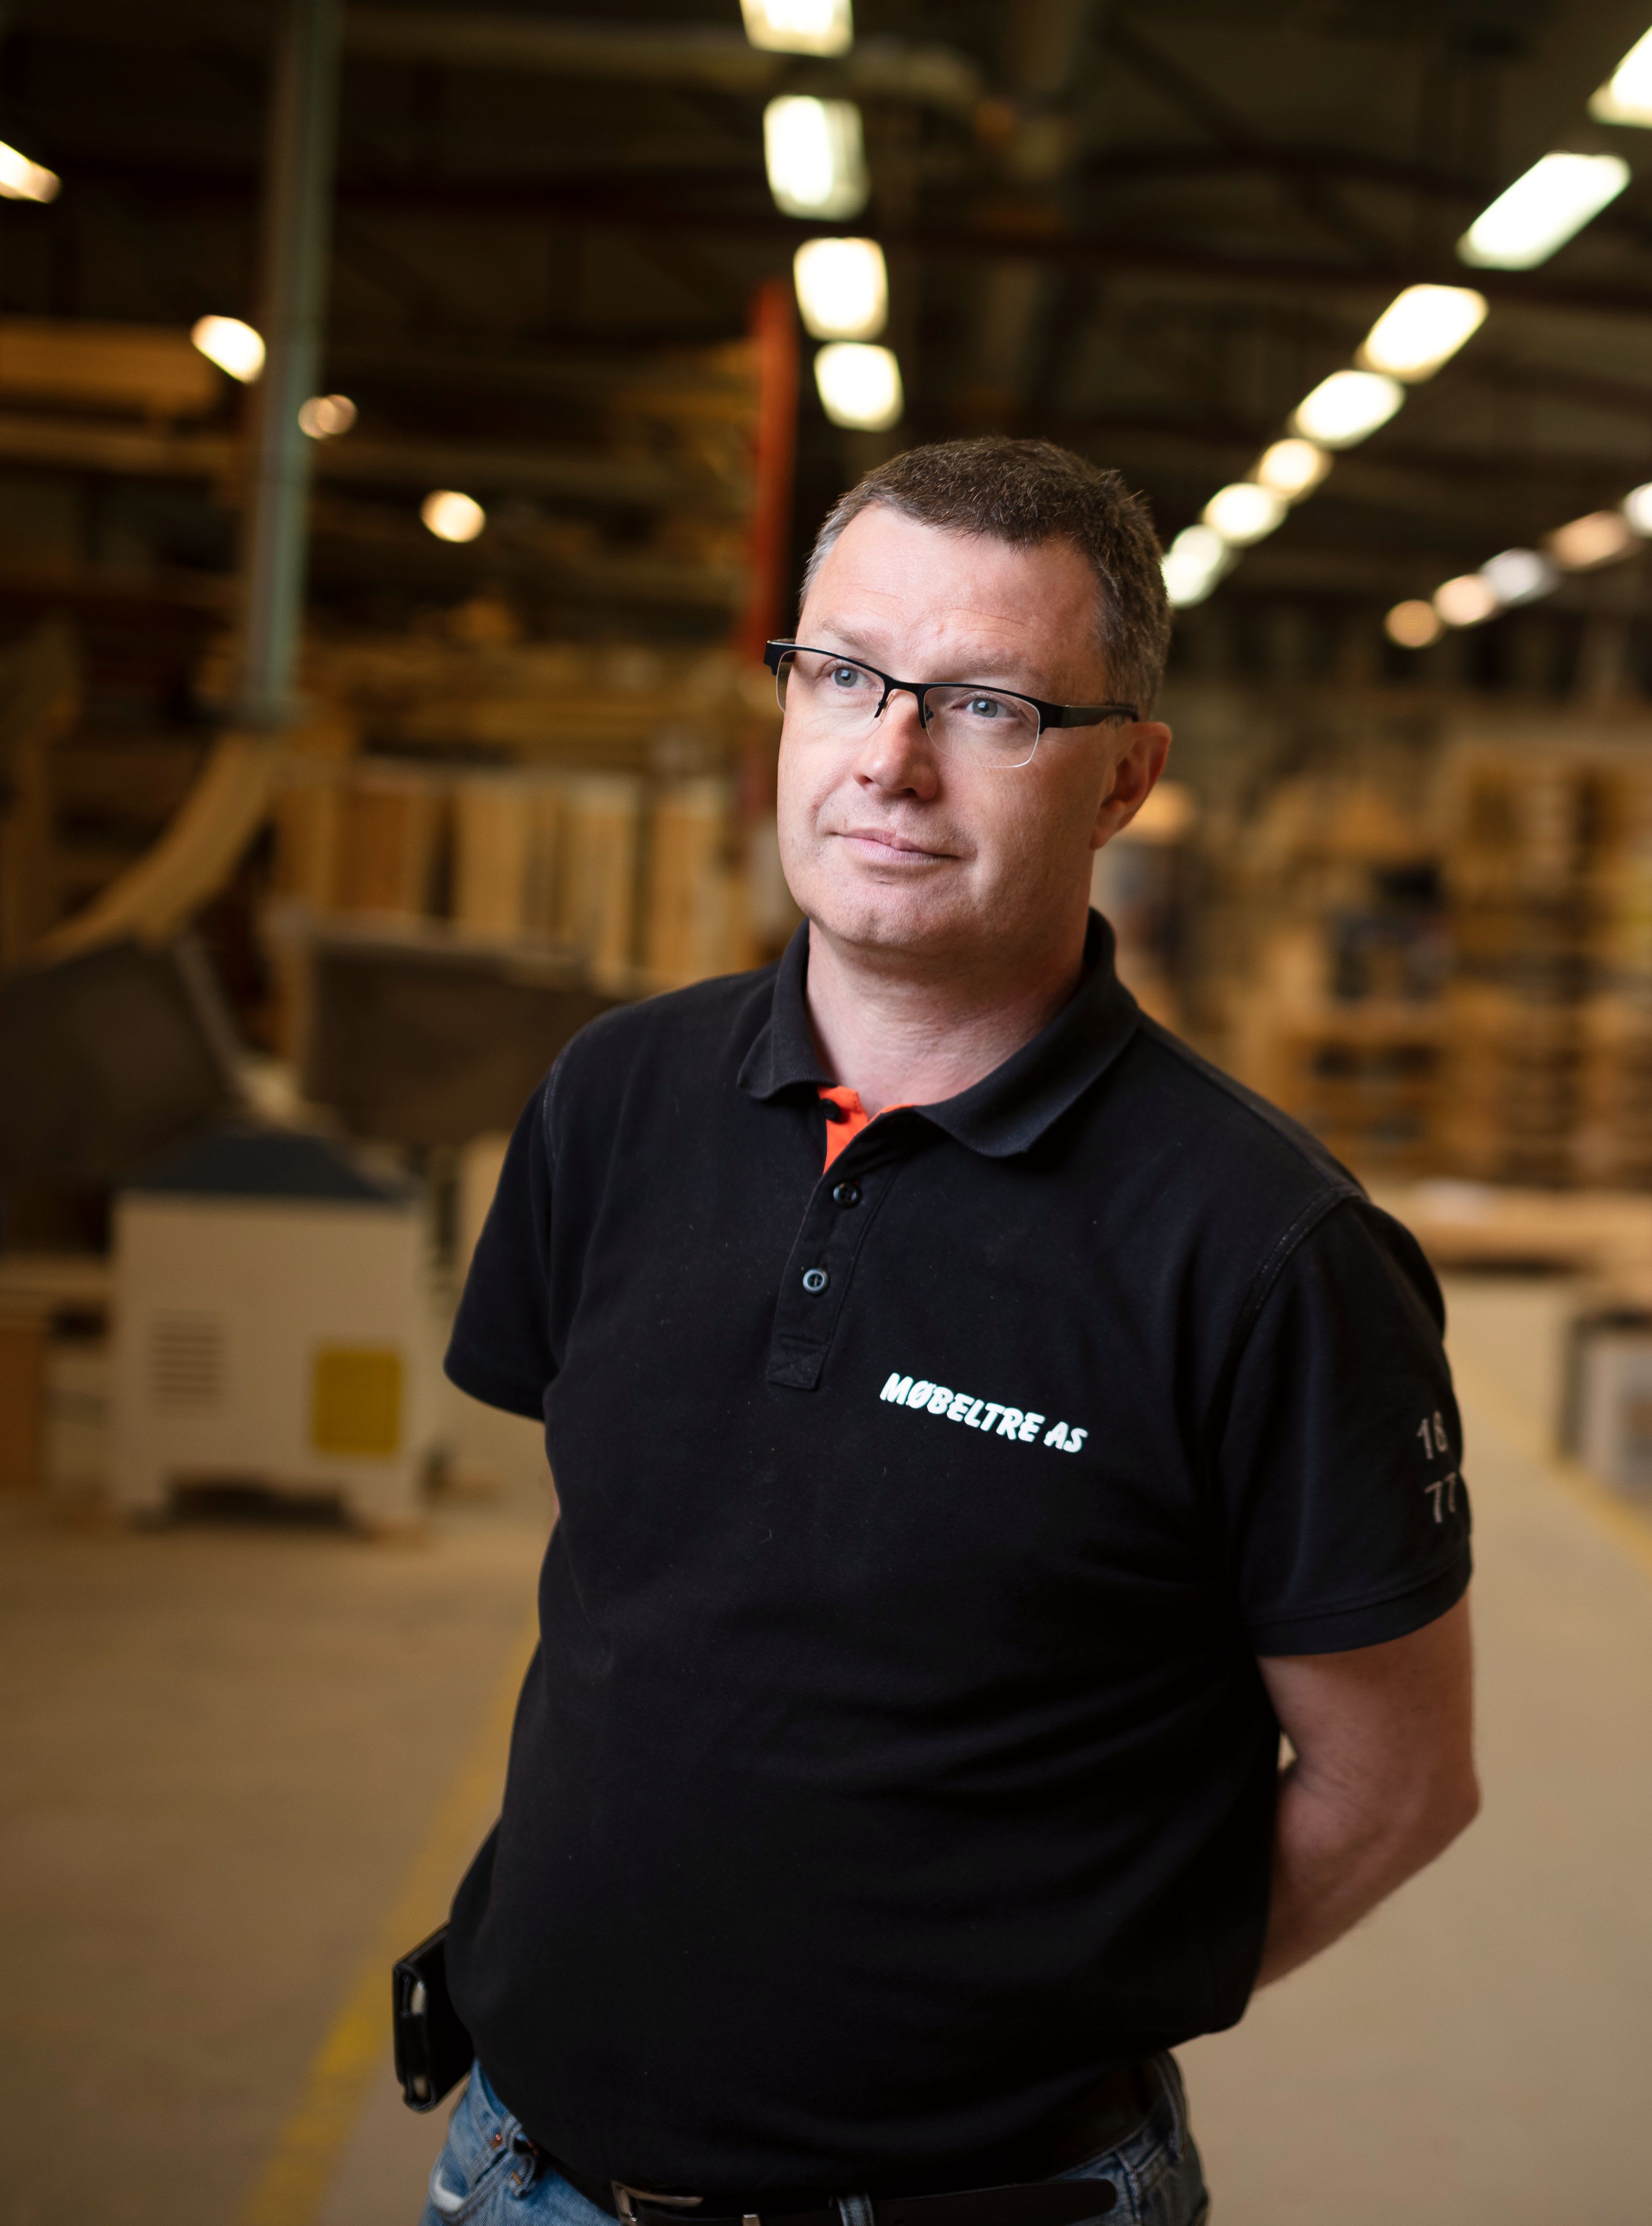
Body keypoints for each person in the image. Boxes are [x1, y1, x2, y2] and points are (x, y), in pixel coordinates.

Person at [422, 437, 1480, 2226]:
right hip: (523, 2169)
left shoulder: (1265, 1252)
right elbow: (643, 1580)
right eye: (844, 675)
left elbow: (1400, 1785)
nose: (889, 760)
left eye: (989, 706)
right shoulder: (614, 1100)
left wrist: (1038, 2035)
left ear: (1126, 776)